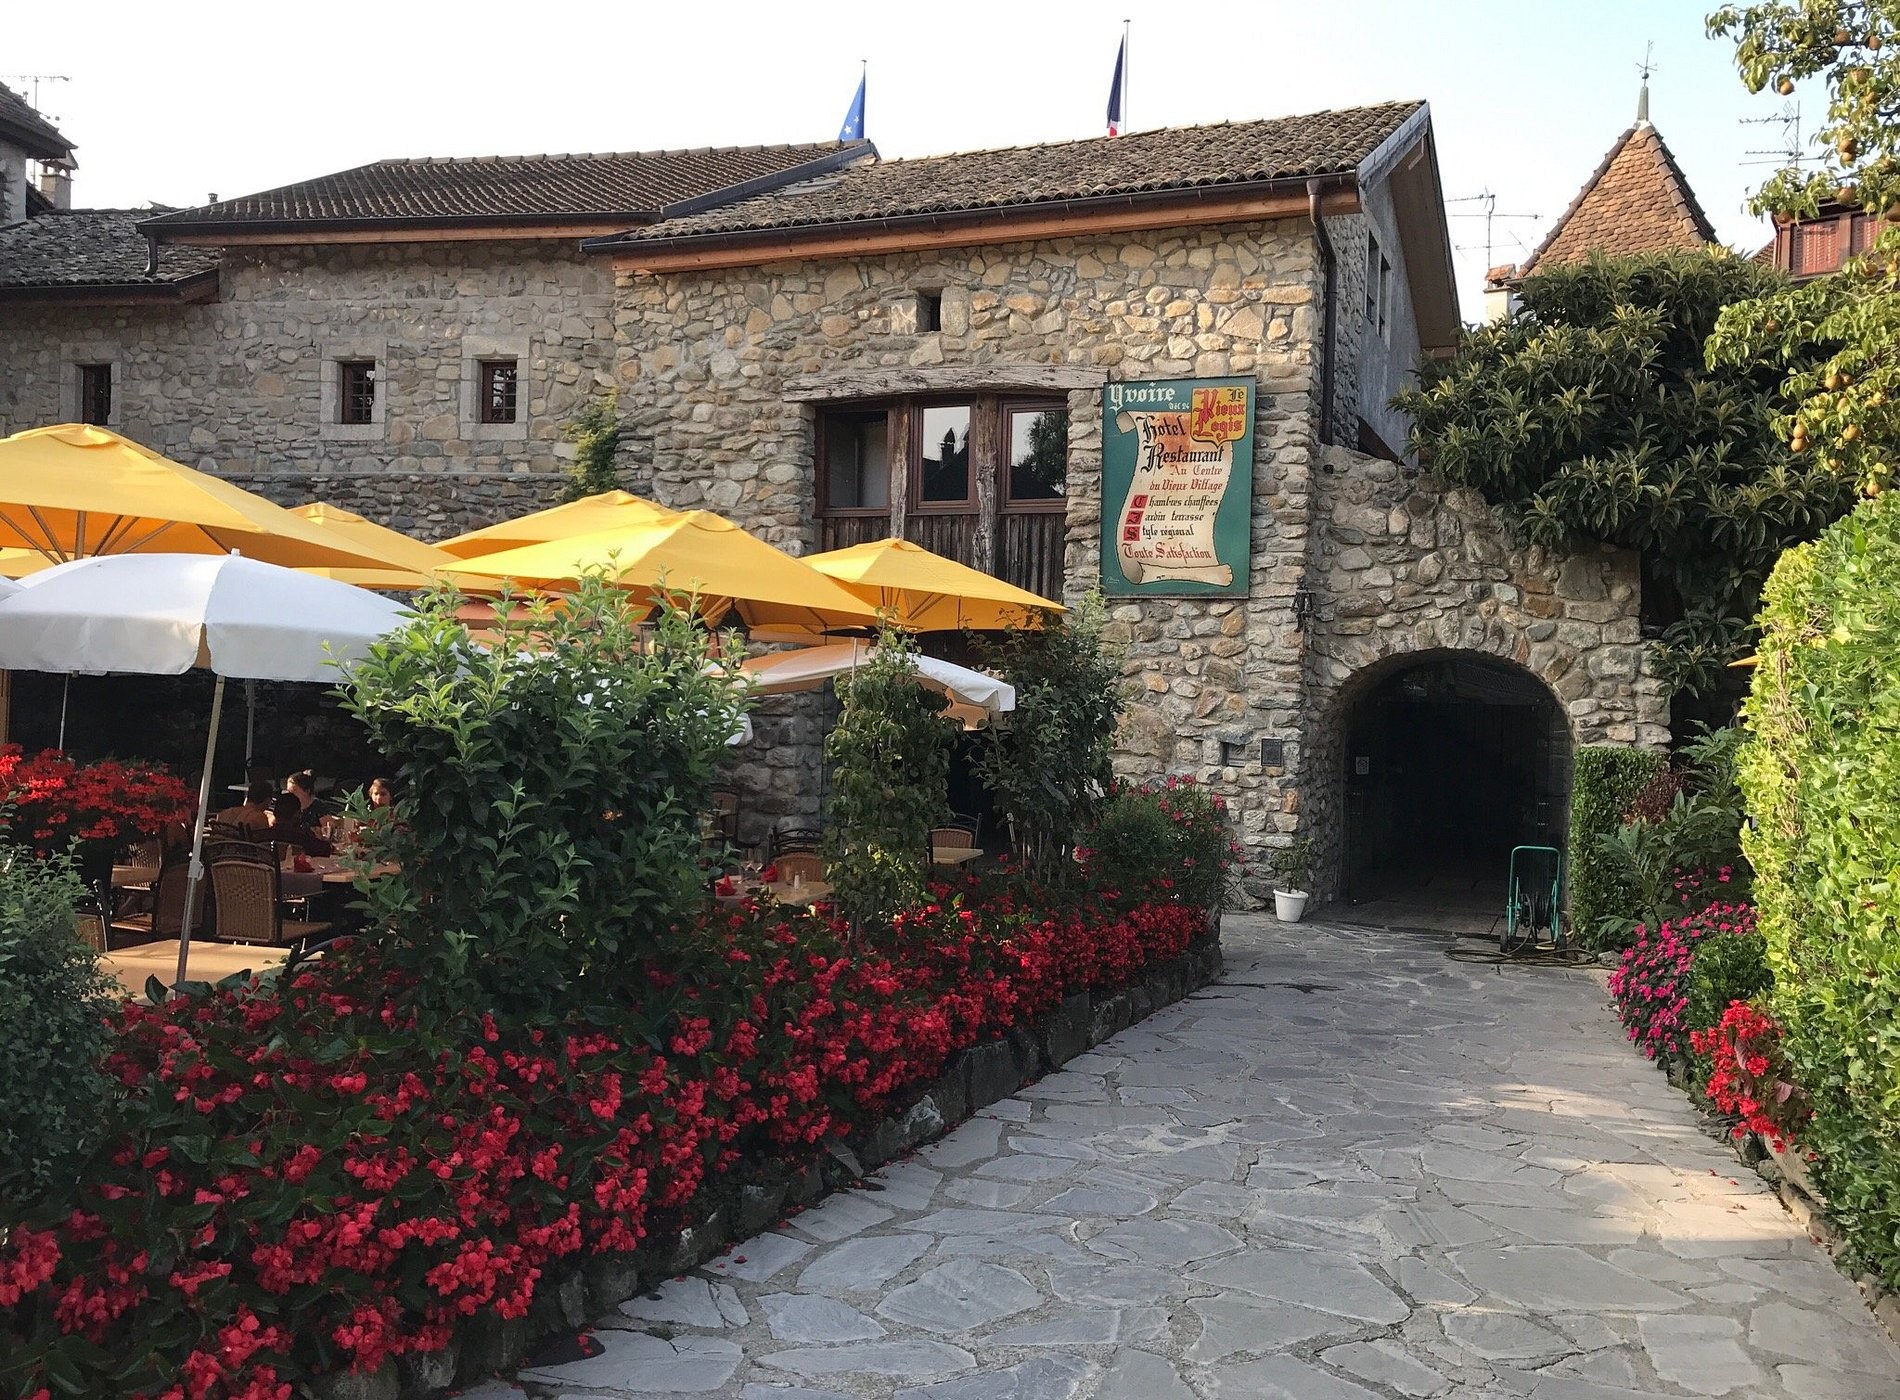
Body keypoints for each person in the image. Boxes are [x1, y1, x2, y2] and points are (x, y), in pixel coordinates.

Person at [268, 793, 333, 856]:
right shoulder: (303, 837)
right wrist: (321, 838)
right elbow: (326, 850)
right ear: (297, 814)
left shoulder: (267, 834)